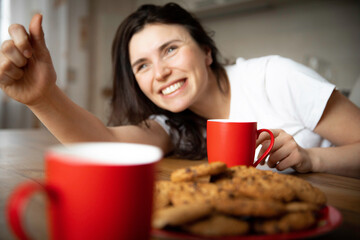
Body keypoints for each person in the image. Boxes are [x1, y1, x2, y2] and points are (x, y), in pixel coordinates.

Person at [0, 3, 359, 178]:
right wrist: (43, 98)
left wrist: (313, 160)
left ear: (206, 51)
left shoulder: (273, 76)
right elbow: (102, 141)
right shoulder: (174, 125)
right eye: (142, 65)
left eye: (170, 49)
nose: (160, 72)